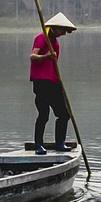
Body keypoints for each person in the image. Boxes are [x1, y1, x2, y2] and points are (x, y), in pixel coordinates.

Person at [30, 12, 77, 154]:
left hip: (53, 82)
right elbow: (33, 56)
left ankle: (60, 143)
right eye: (62, 30)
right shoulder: (42, 37)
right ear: (56, 27)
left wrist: (58, 81)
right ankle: (38, 145)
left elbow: (53, 65)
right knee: (44, 114)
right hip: (41, 82)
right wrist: (46, 56)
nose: (63, 33)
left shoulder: (55, 42)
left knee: (64, 114)